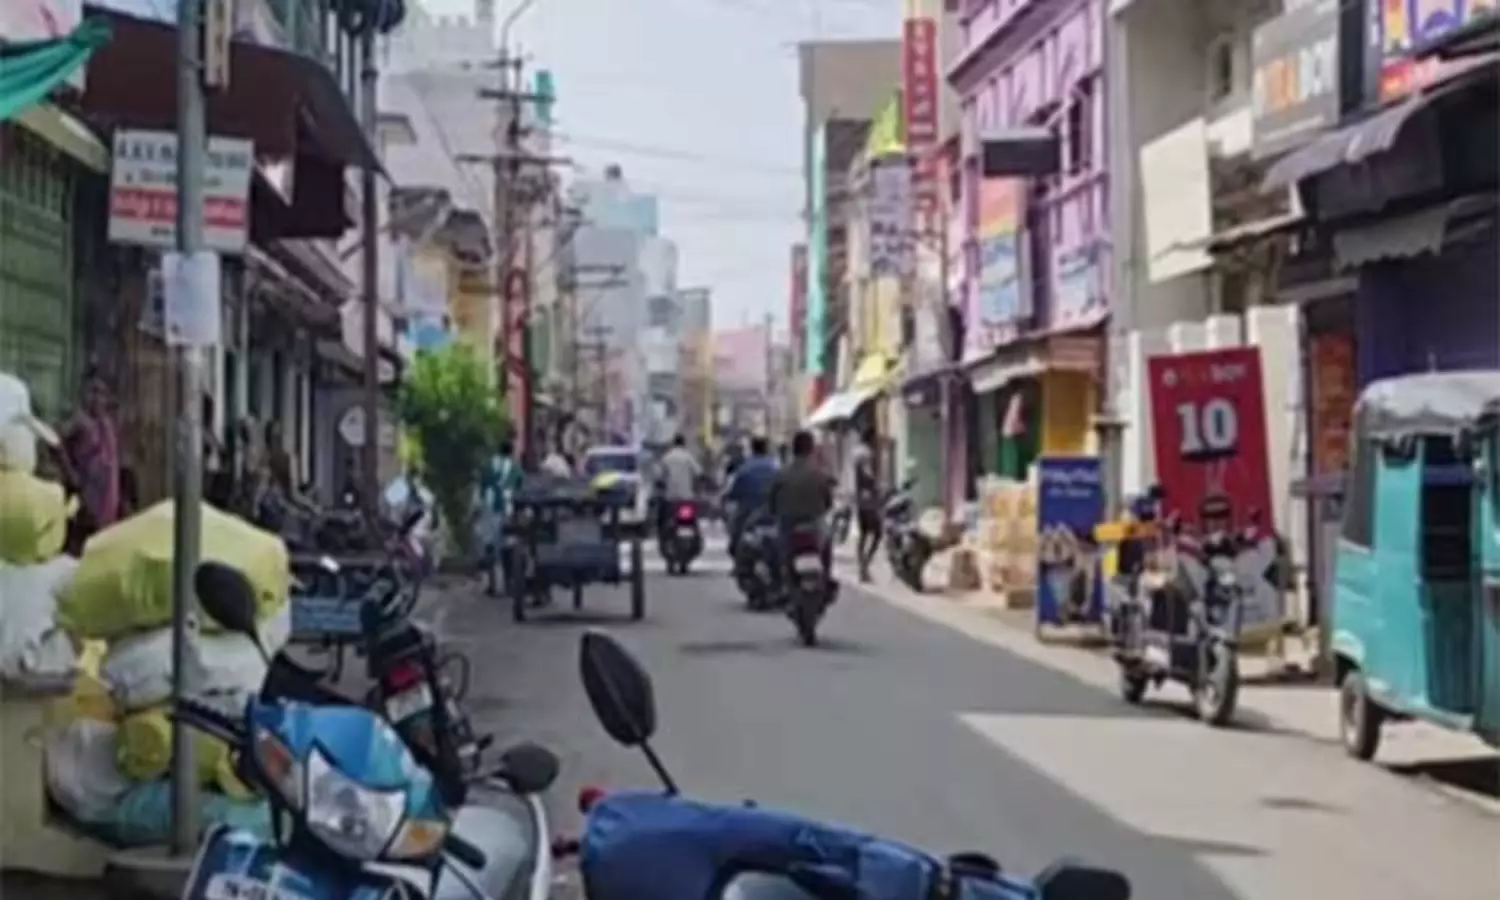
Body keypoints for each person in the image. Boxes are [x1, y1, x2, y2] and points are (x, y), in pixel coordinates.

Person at [61, 370, 121, 554]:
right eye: (92, 391)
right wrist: (71, 474)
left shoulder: (107, 424)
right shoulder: (78, 422)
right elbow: (55, 444)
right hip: (83, 504)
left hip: (105, 502)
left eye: (102, 394)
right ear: (83, 393)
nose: (96, 399)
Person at [768, 430, 836, 586]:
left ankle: (782, 579)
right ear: (811, 449)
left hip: (789, 524)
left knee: (780, 551)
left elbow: (772, 502)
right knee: (826, 544)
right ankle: (827, 576)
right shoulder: (819, 473)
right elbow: (828, 502)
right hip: (814, 523)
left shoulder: (782, 473)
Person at [723, 436, 779, 555]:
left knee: (735, 529)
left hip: (748, 511)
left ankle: (736, 552)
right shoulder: (775, 467)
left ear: (752, 449)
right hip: (771, 511)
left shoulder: (745, 468)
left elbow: (734, 492)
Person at [850, 427, 883, 582]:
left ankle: (862, 567)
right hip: (868, 500)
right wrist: (876, 485)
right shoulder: (866, 453)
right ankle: (864, 566)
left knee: (863, 534)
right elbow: (866, 474)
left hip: (859, 499)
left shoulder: (855, 451)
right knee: (877, 533)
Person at [657, 434, 702, 535]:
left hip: (670, 497)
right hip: (687, 496)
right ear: (684, 444)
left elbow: (660, 477)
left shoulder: (667, 457)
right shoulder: (688, 457)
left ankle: (662, 535)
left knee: (662, 520)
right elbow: (698, 473)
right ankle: (696, 534)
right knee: (694, 520)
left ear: (673, 444)